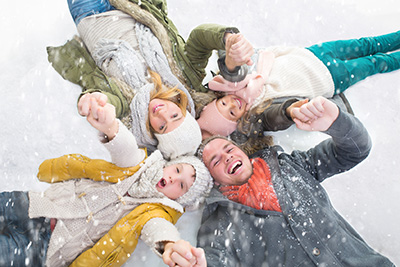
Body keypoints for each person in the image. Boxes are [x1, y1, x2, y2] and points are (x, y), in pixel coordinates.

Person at [0, 98, 213, 267]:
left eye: (182, 186)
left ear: (179, 199)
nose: (175, 178)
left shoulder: (154, 212)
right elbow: (126, 151)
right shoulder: (139, 165)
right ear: (168, 164)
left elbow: (158, 229)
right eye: (177, 170)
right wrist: (112, 128)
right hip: (36, 206)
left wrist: (170, 245)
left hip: (47, 247)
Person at [195, 96, 395, 266]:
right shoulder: (220, 223)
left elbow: (356, 150)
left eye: (229, 150)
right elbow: (211, 260)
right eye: (215, 161)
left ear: (243, 153)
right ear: (214, 180)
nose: (227, 157)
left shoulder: (293, 166)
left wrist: (336, 122)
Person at [48, 0, 245, 157]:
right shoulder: (185, 78)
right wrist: (226, 38)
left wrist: (93, 100)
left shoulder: (128, 108)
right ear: (184, 109)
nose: (162, 113)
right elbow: (199, 40)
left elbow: (107, 99)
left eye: (162, 126)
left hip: (93, 15)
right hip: (135, 4)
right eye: (175, 116)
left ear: (153, 132)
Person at [197, 30, 400, 140]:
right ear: (239, 121)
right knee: (377, 63)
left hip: (312, 53)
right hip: (329, 76)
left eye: (224, 105)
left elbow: (235, 55)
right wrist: (292, 112)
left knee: (367, 44)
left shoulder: (236, 79)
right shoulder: (260, 111)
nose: (233, 105)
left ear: (220, 98)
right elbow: (278, 116)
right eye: (232, 113)